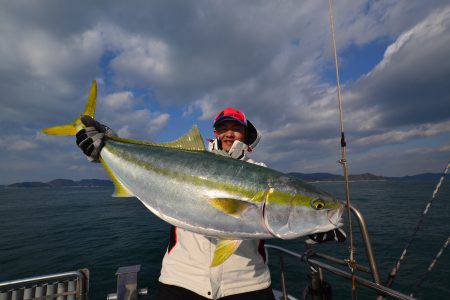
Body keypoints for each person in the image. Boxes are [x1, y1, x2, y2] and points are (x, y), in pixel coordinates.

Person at [75, 107, 345, 300]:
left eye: (236, 128)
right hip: (181, 280)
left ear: (247, 136)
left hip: (247, 284)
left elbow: (284, 218)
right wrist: (106, 146)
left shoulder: (264, 174)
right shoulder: (188, 160)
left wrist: (315, 231)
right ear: (215, 133)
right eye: (223, 128)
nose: (229, 133)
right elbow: (149, 165)